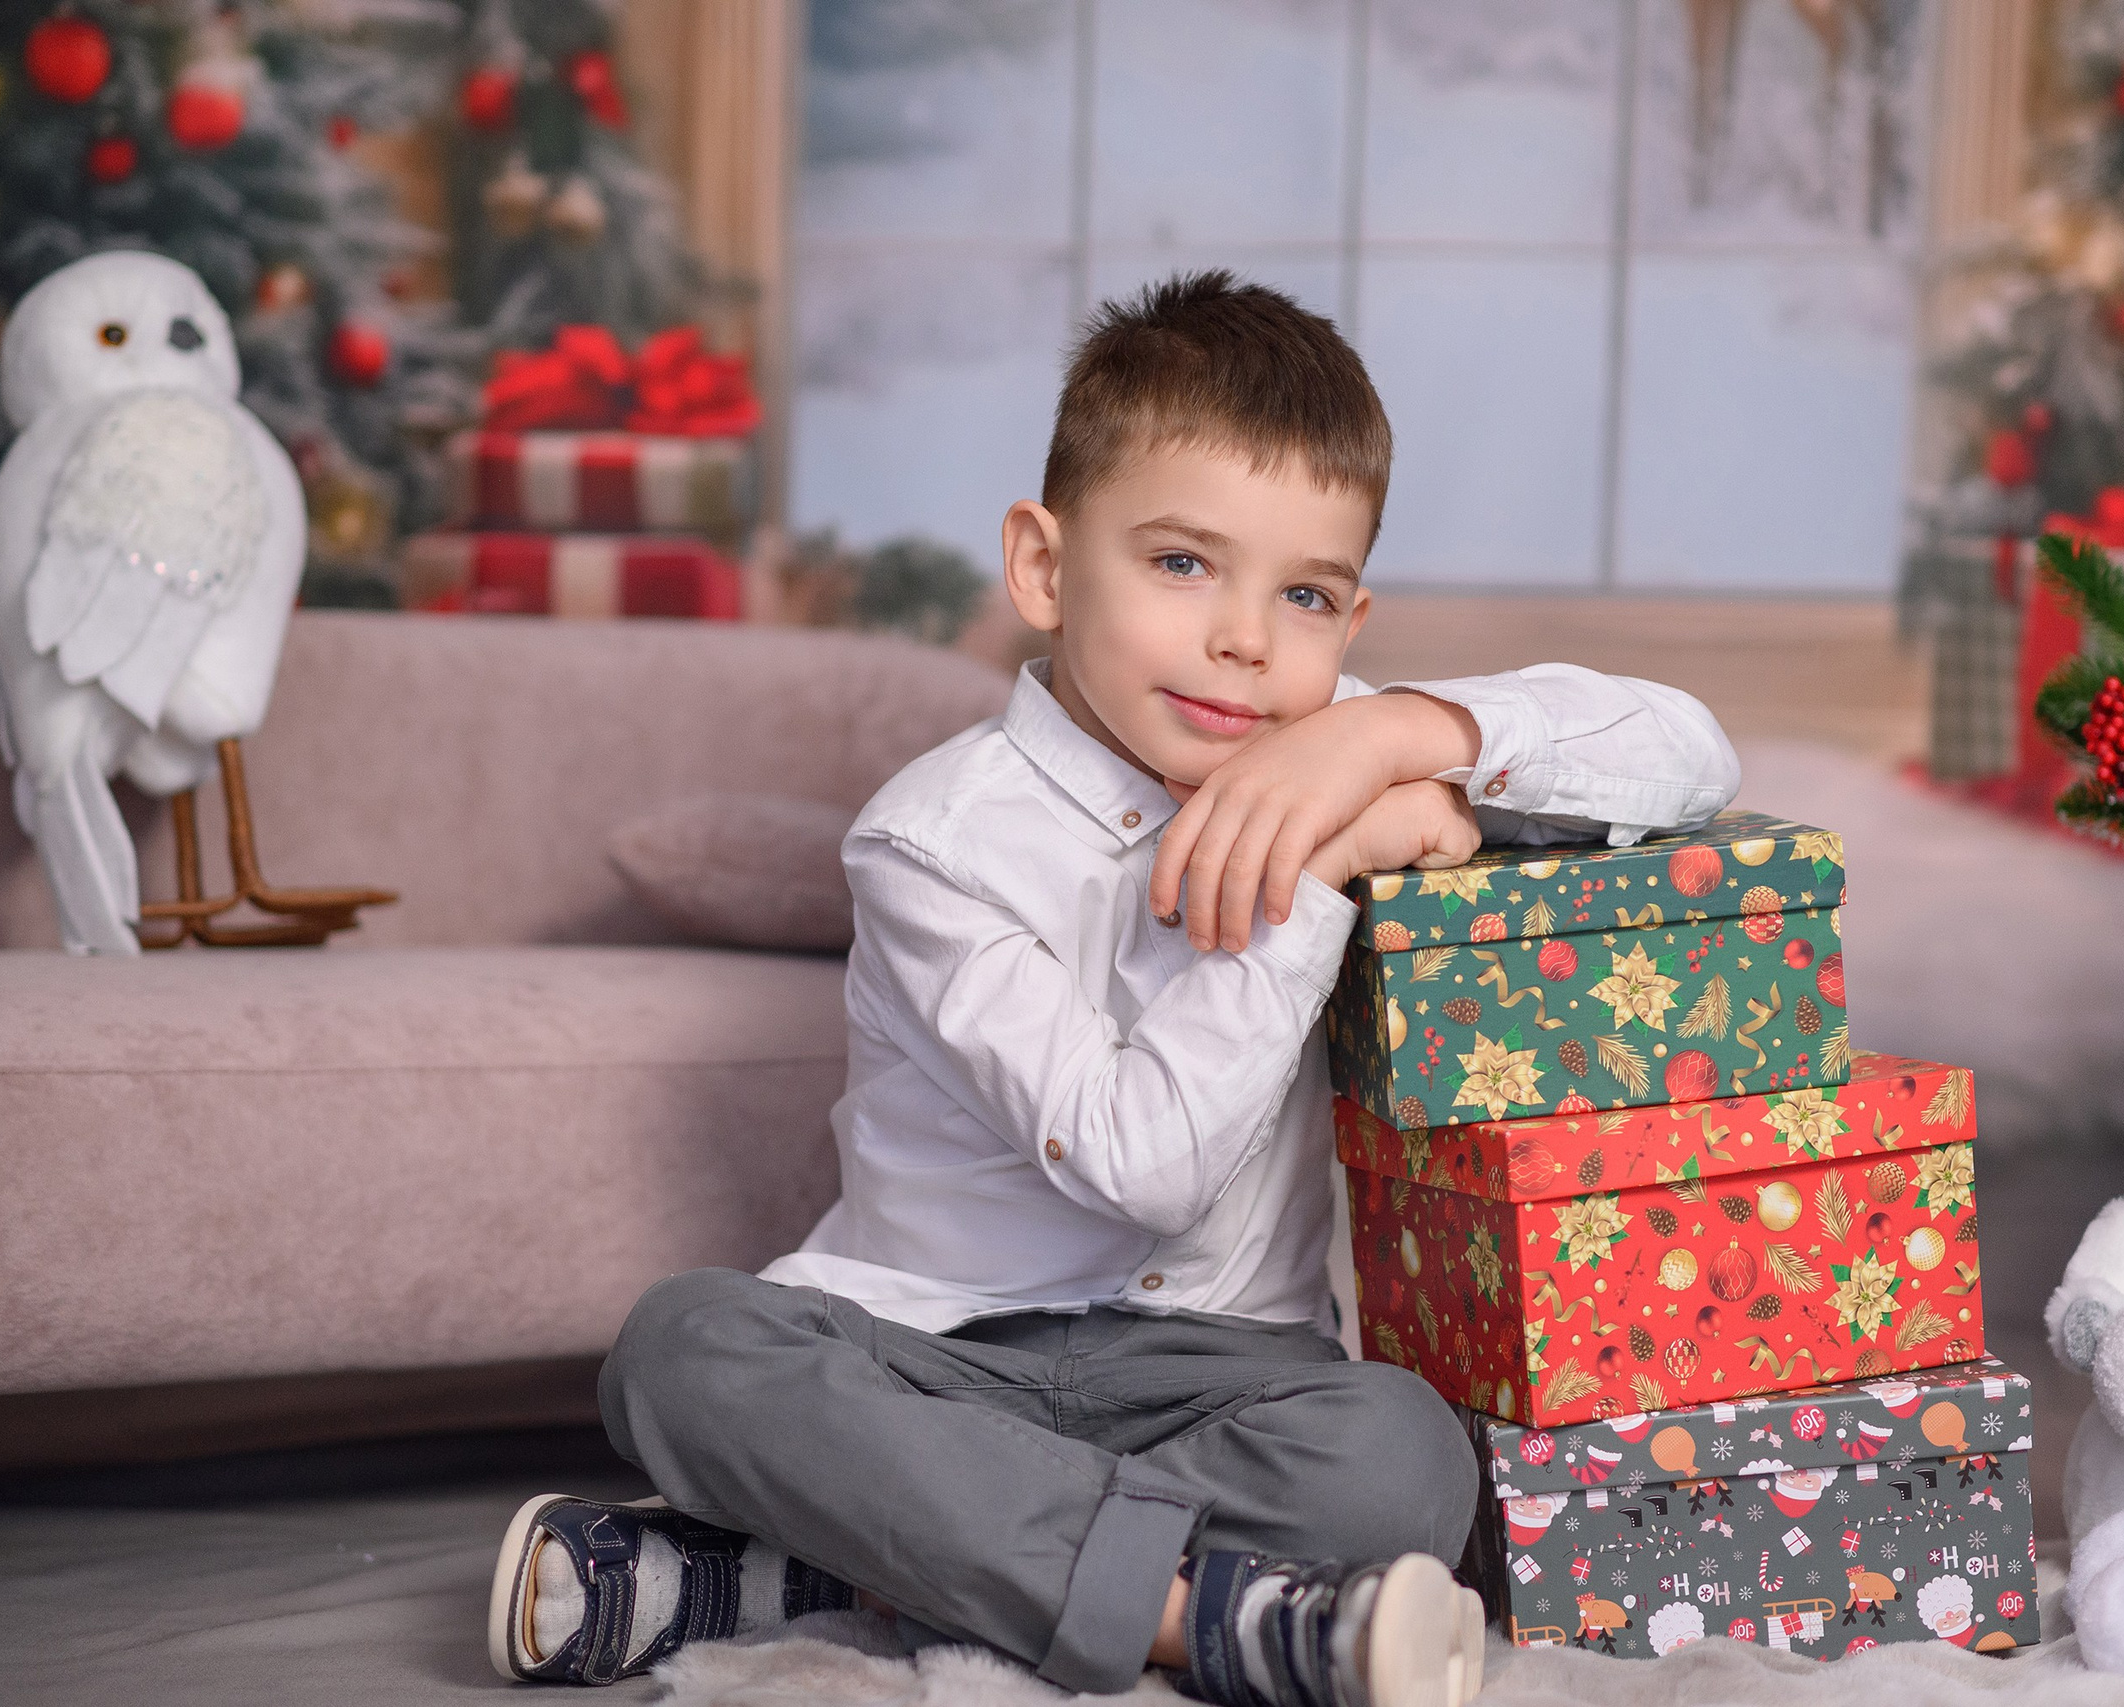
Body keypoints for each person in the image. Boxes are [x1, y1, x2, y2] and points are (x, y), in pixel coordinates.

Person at [485, 272, 1739, 1706]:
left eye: (1306, 596)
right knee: (684, 1352)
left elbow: (1691, 752)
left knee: (1402, 1453)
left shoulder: (1338, 739)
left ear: (1350, 616)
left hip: (1220, 1378)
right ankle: (1203, 1618)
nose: (1245, 641)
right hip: (931, 1358)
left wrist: (1399, 728)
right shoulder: (934, 842)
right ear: (1043, 564)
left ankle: (824, 1570)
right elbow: (1144, 1166)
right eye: (1183, 565)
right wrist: (1323, 876)